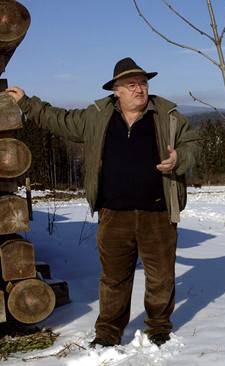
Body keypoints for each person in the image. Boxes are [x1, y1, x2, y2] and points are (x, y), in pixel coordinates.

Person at [6, 57, 200, 348]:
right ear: (116, 91)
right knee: (113, 279)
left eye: (143, 83)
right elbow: (59, 120)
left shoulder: (167, 115)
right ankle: (108, 332)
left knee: (161, 277)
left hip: (158, 213)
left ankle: (159, 328)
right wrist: (27, 103)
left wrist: (179, 159)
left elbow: (193, 145)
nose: (140, 89)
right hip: (113, 215)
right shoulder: (97, 116)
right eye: (131, 84)